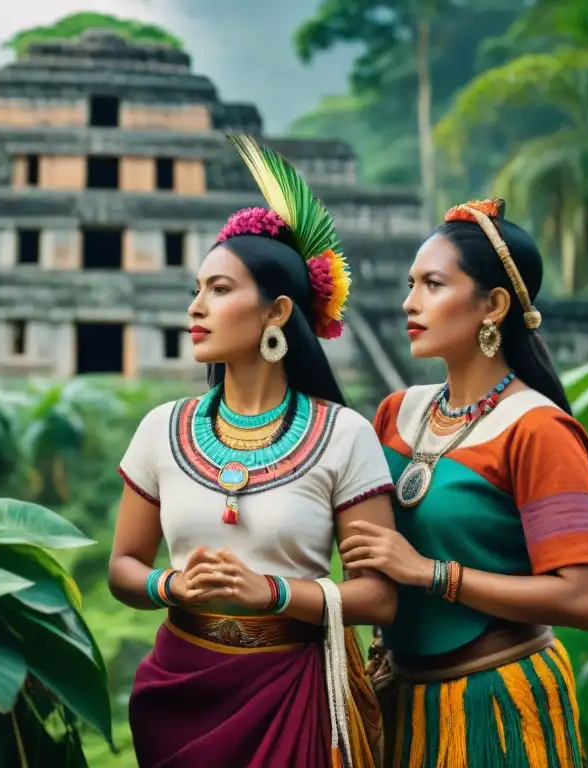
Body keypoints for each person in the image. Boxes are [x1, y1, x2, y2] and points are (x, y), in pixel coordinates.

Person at [109, 135, 398, 768]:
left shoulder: (344, 434)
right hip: (179, 690)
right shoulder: (162, 427)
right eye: (197, 289)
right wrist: (173, 583)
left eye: (217, 289)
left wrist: (272, 593)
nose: (195, 307)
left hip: (292, 689)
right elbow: (124, 569)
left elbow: (377, 597)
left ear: (277, 312)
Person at [341, 199, 588, 767]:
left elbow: (583, 598)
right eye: (411, 283)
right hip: (400, 698)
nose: (409, 302)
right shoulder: (397, 414)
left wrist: (428, 573)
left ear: (493, 305)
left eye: (433, 285)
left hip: (497, 704)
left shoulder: (539, 429)